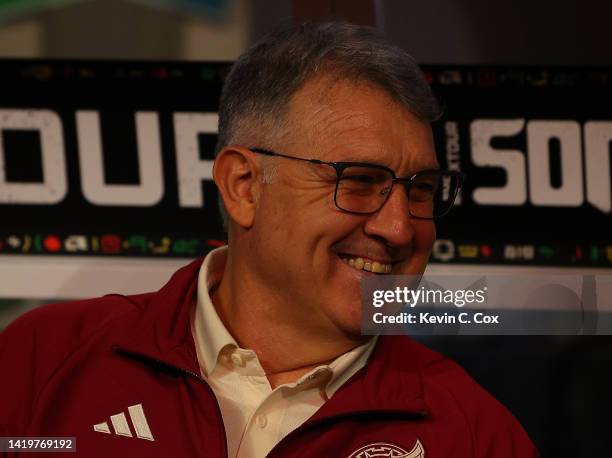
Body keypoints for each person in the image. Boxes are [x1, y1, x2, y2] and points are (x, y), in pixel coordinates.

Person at [0, 22, 537, 458]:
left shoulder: (475, 436)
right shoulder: (42, 361)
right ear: (244, 186)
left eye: (420, 190)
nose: (398, 228)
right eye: (358, 182)